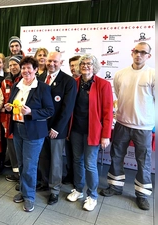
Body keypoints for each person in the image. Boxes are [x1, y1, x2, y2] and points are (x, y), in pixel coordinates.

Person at [100, 42, 155, 211]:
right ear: (132, 53)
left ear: (148, 56)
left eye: (143, 52)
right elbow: (118, 93)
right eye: (136, 51)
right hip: (122, 123)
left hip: (143, 126)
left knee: (143, 161)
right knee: (117, 156)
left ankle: (142, 194)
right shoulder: (120, 74)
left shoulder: (153, 75)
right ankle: (115, 187)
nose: (138, 55)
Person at [4, 56, 54, 212]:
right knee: (21, 163)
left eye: (29, 68)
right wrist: (9, 107)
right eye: (23, 68)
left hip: (34, 132)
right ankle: (24, 191)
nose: (26, 71)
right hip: (18, 128)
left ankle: (29, 197)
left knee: (30, 166)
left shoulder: (43, 88)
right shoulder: (17, 86)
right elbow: (14, 104)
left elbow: (49, 110)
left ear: (35, 70)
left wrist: (32, 111)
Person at [66, 54, 113, 211]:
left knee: (90, 164)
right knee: (77, 160)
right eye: (83, 64)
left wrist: (106, 135)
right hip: (76, 130)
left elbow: (108, 113)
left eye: (89, 64)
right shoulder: (75, 83)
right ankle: (79, 189)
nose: (85, 66)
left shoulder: (103, 85)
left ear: (94, 67)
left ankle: (92, 195)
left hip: (93, 132)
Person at [37, 51, 77, 205]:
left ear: (61, 62)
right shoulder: (40, 78)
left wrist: (57, 128)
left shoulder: (68, 81)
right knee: (43, 157)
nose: (51, 64)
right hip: (40, 127)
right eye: (49, 61)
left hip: (56, 129)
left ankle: (54, 190)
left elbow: (67, 109)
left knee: (56, 160)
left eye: (55, 61)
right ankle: (44, 182)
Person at [1, 55, 23, 185]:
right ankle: (16, 174)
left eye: (15, 64)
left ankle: (23, 176)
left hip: (22, 122)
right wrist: (4, 121)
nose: (13, 67)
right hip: (9, 121)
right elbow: (4, 101)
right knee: (12, 150)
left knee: (22, 150)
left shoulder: (25, 80)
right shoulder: (5, 82)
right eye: (11, 65)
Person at [62, 54, 82, 186]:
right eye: (71, 65)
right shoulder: (68, 81)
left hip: (80, 125)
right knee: (69, 153)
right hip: (67, 124)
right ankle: (70, 174)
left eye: (75, 65)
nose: (73, 68)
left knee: (79, 157)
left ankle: (78, 180)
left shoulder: (85, 83)